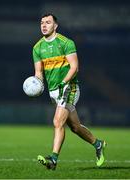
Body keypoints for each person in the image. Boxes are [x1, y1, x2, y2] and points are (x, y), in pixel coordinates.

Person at [32, 13, 106, 170]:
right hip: (53, 91)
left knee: (57, 122)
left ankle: (53, 159)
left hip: (69, 87)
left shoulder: (66, 43)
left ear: (55, 26)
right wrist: (36, 84)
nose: (44, 25)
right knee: (75, 127)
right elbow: (39, 72)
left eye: (48, 22)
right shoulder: (37, 47)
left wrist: (63, 83)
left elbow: (74, 67)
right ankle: (98, 144)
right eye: (42, 23)